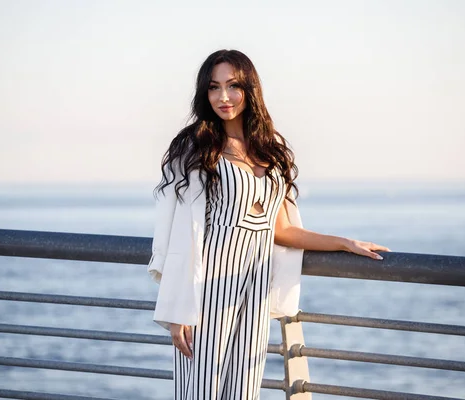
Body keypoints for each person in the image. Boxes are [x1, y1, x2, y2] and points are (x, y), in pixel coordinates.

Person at [148, 49, 389, 400]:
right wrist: (176, 310)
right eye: (214, 88)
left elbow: (280, 230)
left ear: (250, 89)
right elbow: (180, 234)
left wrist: (344, 243)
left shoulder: (269, 148)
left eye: (233, 86)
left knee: (244, 392)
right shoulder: (198, 147)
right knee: (201, 391)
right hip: (207, 291)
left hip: (255, 288)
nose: (224, 97)